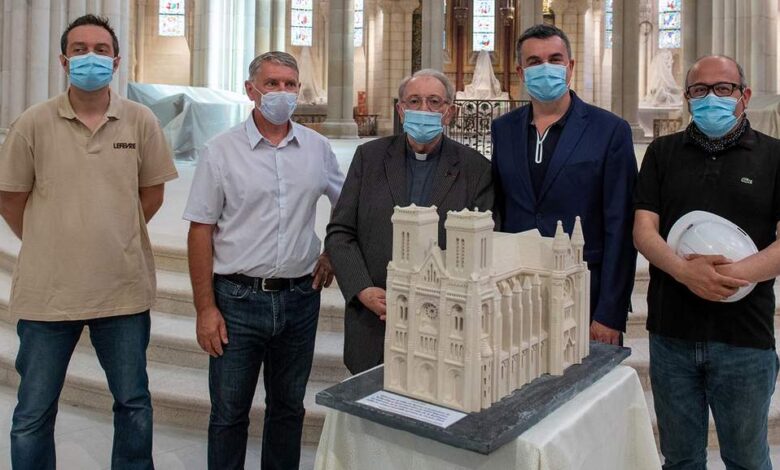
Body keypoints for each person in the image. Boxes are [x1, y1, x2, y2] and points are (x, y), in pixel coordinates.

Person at [0, 14, 178, 470]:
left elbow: (151, 193)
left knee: (134, 404)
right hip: (48, 295)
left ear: (116, 61)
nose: (90, 58)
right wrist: (50, 238)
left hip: (121, 292)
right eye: (79, 49)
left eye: (100, 49)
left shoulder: (140, 120)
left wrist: (112, 231)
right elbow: (11, 198)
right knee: (33, 413)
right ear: (63, 61)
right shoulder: (33, 122)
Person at [183, 51, 343, 470]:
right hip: (237, 299)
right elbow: (200, 230)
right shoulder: (220, 152)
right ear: (250, 90)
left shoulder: (318, 148)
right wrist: (205, 308)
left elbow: (348, 209)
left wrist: (331, 251)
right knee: (229, 412)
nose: (282, 93)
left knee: (288, 408)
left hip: (299, 298)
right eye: (272, 84)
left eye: (291, 84)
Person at [634, 55, 780, 469]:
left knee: (747, 459)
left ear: (744, 96)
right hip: (671, 335)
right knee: (679, 460)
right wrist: (684, 272)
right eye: (700, 91)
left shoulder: (774, 156)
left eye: (723, 89)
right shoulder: (662, 153)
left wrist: (722, 277)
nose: (711, 98)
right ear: (687, 99)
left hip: (745, 339)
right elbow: (644, 231)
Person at [326, 68, 494, 375]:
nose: (423, 110)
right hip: (376, 320)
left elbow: (485, 249)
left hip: (445, 324)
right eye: (414, 101)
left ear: (449, 112)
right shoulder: (370, 157)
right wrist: (362, 289)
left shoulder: (475, 169)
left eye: (434, 102)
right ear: (401, 110)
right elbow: (340, 232)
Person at [491, 24, 637, 345]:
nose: (545, 68)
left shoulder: (609, 130)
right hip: (518, 292)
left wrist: (609, 313)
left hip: (586, 292)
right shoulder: (503, 129)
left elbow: (621, 225)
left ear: (570, 67)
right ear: (521, 71)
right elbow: (500, 211)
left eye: (555, 59)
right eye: (534, 62)